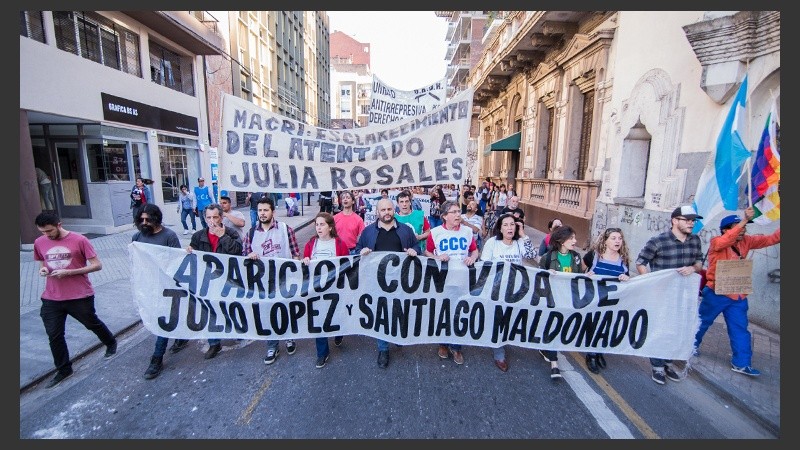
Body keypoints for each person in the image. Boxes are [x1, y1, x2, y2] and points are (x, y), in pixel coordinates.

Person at [33, 211, 118, 389]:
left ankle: (110, 342)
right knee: (54, 335)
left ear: (59, 225)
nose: (46, 235)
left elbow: (97, 265)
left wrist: (69, 272)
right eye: (43, 232)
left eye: (49, 231)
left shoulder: (80, 240)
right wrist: (43, 270)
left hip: (79, 295)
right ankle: (64, 369)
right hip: (51, 297)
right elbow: (42, 262)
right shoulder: (39, 242)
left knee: (92, 323)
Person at [693, 207, 780, 377]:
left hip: (737, 294)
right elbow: (726, 241)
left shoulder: (747, 241)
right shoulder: (717, 242)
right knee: (702, 322)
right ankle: (690, 346)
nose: (743, 230)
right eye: (738, 227)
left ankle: (741, 363)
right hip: (716, 292)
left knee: (740, 329)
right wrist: (744, 219)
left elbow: (770, 239)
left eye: (744, 227)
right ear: (725, 230)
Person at [636, 205, 704, 385]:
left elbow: (699, 261)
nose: (691, 223)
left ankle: (668, 363)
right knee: (660, 329)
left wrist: (693, 268)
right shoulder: (658, 241)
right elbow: (641, 262)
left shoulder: (695, 241)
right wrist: (651, 282)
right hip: (662, 295)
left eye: (693, 221)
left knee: (676, 330)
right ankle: (657, 367)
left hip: (684, 296)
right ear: (674, 220)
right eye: (687, 220)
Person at [354, 198, 419, 368]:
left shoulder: (405, 230)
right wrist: (361, 251)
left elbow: (417, 246)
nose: (387, 213)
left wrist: (414, 251)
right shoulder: (368, 231)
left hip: (401, 281)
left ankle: (397, 336)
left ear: (394, 210)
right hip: (377, 282)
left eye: (389, 209)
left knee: (399, 311)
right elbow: (356, 250)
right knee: (381, 314)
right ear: (377, 212)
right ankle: (383, 349)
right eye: (383, 210)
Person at [243, 196, 301, 365]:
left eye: (265, 210)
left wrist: (296, 272)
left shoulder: (285, 229)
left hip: (284, 280)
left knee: (287, 310)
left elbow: (295, 253)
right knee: (269, 313)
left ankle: (289, 337)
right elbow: (243, 257)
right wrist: (249, 256)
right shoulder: (251, 233)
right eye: (260, 210)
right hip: (264, 283)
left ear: (273, 212)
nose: (262, 213)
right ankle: (272, 346)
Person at [131, 204, 185, 379]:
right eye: (141, 220)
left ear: (156, 219)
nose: (144, 223)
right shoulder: (137, 237)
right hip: (149, 287)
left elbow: (177, 261)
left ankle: (157, 359)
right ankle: (181, 336)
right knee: (162, 317)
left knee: (164, 320)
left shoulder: (169, 236)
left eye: (148, 219)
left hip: (167, 286)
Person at [424, 200, 480, 365]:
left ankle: (456, 347)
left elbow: (474, 250)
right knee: (443, 311)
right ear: (444, 216)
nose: (458, 215)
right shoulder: (435, 233)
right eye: (454, 212)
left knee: (459, 312)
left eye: (458, 212)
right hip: (443, 279)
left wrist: (472, 258)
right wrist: (437, 257)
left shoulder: (467, 232)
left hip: (462, 279)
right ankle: (443, 343)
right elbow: (427, 252)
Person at [187, 204, 244, 360]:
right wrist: (189, 249)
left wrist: (223, 237)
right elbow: (193, 254)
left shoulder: (231, 233)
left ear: (221, 218)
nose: (212, 221)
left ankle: (237, 330)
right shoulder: (198, 236)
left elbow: (237, 251)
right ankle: (214, 343)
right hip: (209, 280)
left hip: (228, 279)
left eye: (215, 217)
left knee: (229, 306)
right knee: (209, 310)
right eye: (209, 217)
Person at [481, 213, 535, 372]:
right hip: (497, 289)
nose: (509, 228)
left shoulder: (519, 242)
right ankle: (499, 354)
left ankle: (505, 338)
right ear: (500, 228)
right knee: (498, 319)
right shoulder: (492, 243)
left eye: (512, 224)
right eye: (505, 225)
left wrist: (523, 235)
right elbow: (484, 265)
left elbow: (531, 255)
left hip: (516, 289)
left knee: (510, 319)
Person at [302, 212, 350, 368]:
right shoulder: (311, 244)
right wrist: (305, 260)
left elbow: (347, 266)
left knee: (335, 315)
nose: (319, 227)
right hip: (316, 289)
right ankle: (322, 353)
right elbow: (304, 263)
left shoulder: (340, 244)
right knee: (318, 319)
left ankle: (338, 332)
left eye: (322, 224)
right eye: (317, 225)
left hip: (335, 289)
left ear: (330, 227)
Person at [582, 227, 632, 374]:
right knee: (594, 326)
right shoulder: (593, 256)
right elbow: (579, 270)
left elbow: (627, 278)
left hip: (612, 302)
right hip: (594, 300)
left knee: (607, 327)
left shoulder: (624, 259)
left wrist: (626, 278)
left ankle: (599, 352)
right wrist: (586, 275)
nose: (618, 241)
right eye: (613, 238)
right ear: (605, 241)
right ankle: (591, 355)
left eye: (620, 238)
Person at [539, 224, 586, 380]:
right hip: (552, 299)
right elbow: (538, 277)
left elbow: (578, 277)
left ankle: (545, 347)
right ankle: (554, 364)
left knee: (559, 328)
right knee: (554, 326)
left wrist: (587, 276)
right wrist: (546, 273)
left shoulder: (576, 257)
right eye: (571, 238)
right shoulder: (548, 258)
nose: (575, 241)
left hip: (568, 300)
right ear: (561, 240)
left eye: (574, 238)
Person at [333, 190, 366, 256]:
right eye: (343, 198)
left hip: (353, 252)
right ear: (341, 201)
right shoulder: (335, 218)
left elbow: (362, 237)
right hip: (337, 251)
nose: (345, 199)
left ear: (353, 201)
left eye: (348, 198)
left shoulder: (358, 219)